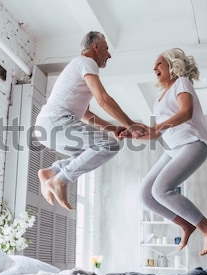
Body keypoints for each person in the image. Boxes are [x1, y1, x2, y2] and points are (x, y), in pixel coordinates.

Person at [35, 31, 145, 211]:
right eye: (107, 49)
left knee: (91, 152)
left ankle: (52, 172)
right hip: (56, 121)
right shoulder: (86, 62)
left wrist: (112, 128)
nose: (108, 55)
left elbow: (86, 114)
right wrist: (129, 125)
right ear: (96, 47)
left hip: (47, 127)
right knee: (110, 145)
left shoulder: (77, 67)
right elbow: (103, 99)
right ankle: (60, 179)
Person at [133, 48, 207, 256]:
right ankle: (186, 225)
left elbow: (185, 112)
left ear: (173, 65)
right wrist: (132, 134)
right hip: (172, 149)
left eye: (159, 63)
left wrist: (156, 128)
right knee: (145, 195)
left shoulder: (181, 83)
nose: (154, 67)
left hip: (192, 143)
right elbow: (156, 134)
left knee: (161, 189)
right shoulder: (157, 101)